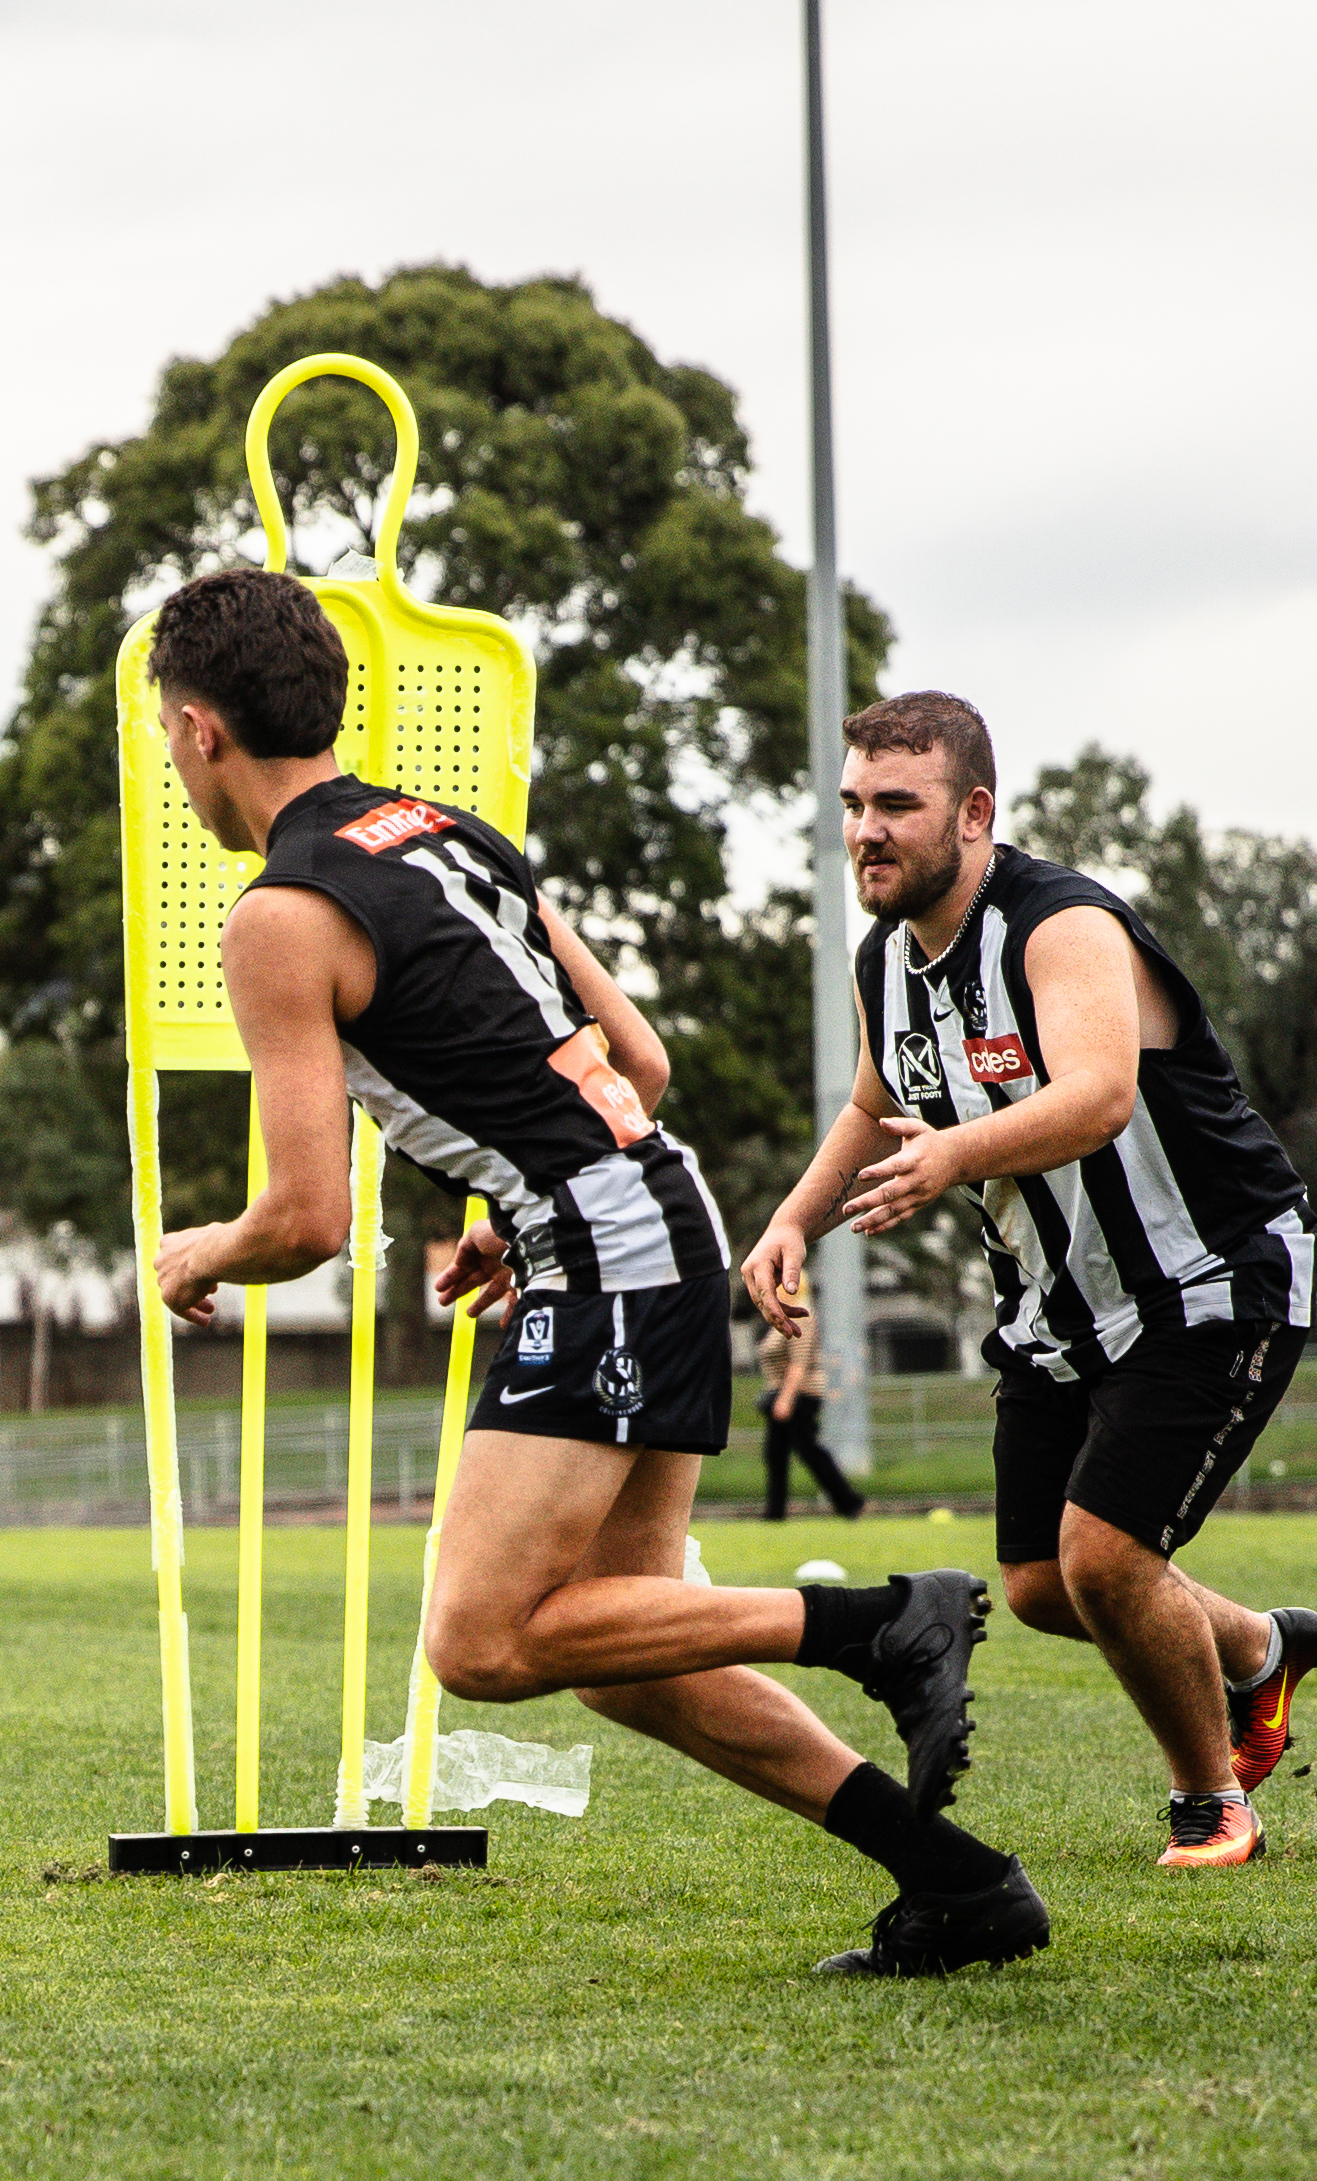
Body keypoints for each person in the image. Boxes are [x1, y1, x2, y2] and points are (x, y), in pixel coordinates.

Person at [141, 569, 1046, 1979]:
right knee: (627, 1660)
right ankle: (958, 1883)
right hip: (649, 1210)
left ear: (200, 732)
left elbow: (310, 1216)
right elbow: (643, 1060)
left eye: (165, 737)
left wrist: (199, 1251)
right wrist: (522, 1193)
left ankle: (883, 1623)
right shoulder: (451, 834)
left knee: (482, 1642)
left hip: (609, 1246)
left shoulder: (277, 915)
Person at [745, 690, 1317, 1872]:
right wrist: (793, 1221)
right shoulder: (884, 964)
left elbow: (1100, 1094)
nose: (867, 830)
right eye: (854, 805)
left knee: (1108, 1557)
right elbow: (872, 1104)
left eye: (897, 806)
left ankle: (1213, 1800)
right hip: (1057, 1306)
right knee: (1038, 1584)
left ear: (974, 814)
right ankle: (1260, 1650)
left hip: (1207, 1275)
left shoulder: (1060, 926)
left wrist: (954, 1151)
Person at [758, 1310, 865, 1523]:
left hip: (800, 1395)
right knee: (776, 1454)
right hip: (784, 1393)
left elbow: (799, 1363)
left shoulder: (800, 1318)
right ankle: (774, 1513)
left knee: (809, 1450)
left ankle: (849, 1502)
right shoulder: (779, 1318)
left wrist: (786, 1398)